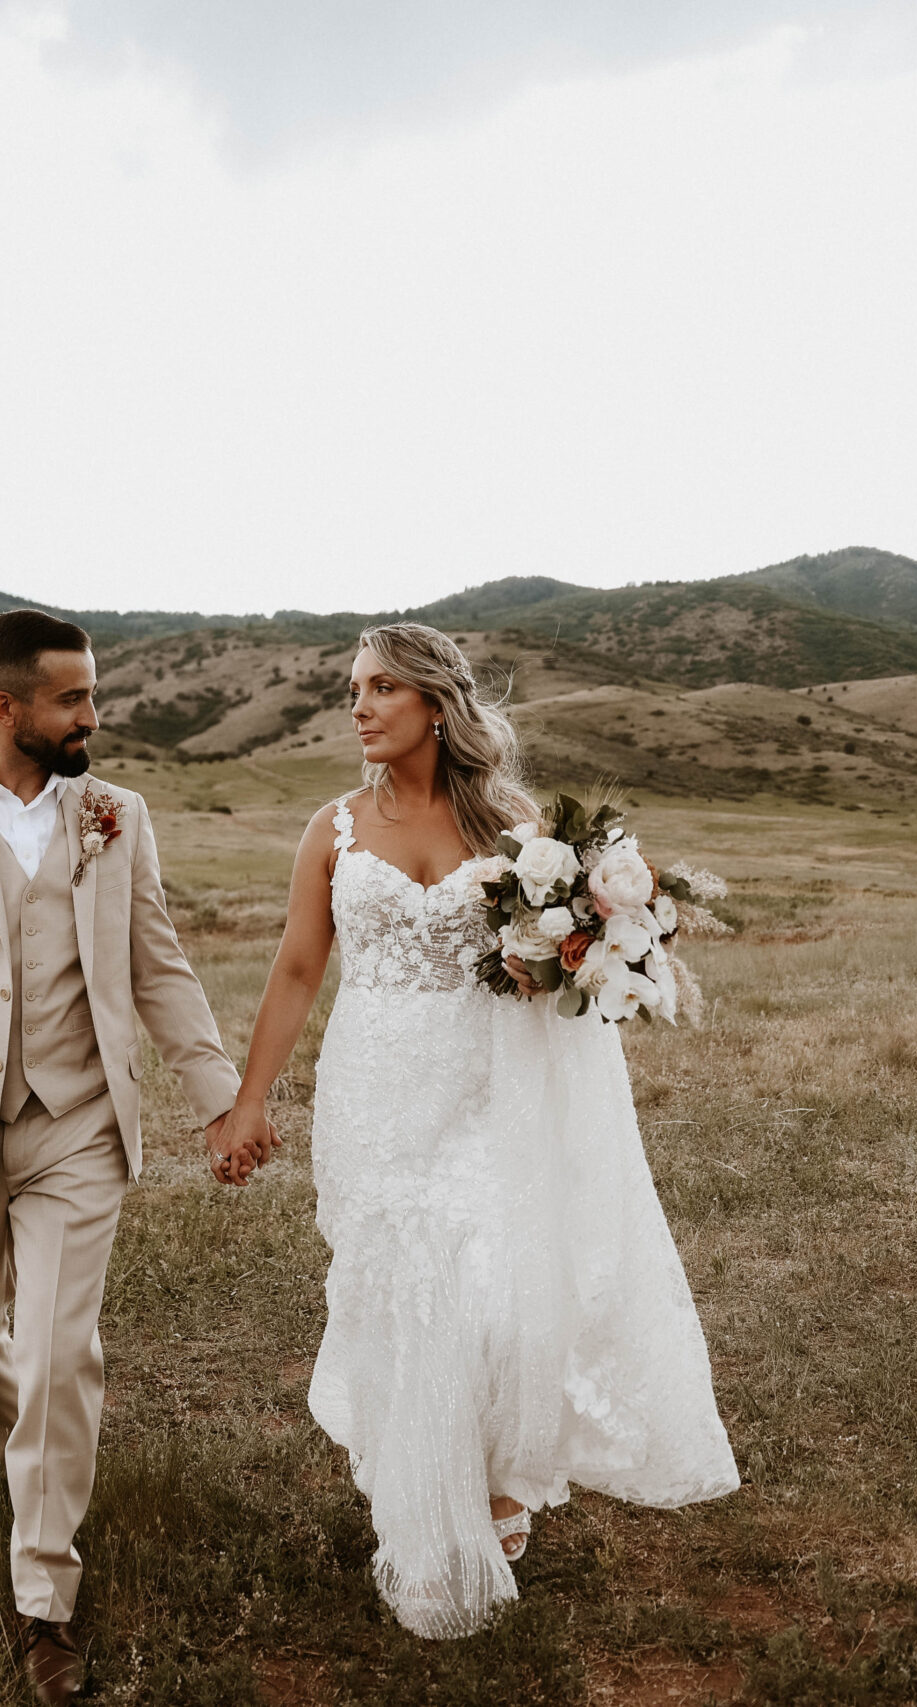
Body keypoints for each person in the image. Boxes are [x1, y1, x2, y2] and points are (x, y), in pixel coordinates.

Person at [210, 621, 738, 1639]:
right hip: (375, 1093)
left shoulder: (515, 827)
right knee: (401, 1294)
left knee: (495, 1292)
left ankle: (497, 1477)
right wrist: (250, 1099)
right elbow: (295, 968)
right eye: (352, 689)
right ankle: (417, 1507)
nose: (357, 707)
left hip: (489, 1087)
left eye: (378, 690)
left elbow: (549, 957)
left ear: (434, 708)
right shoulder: (330, 829)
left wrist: (592, 952)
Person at [0, 609, 278, 1705]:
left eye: (93, 693)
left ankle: (44, 1601)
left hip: (82, 1125)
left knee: (56, 1357)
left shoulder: (116, 815)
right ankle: (6, 1456)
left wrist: (223, 1099)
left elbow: (159, 967)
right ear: (7, 708)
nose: (96, 714)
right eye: (75, 699)